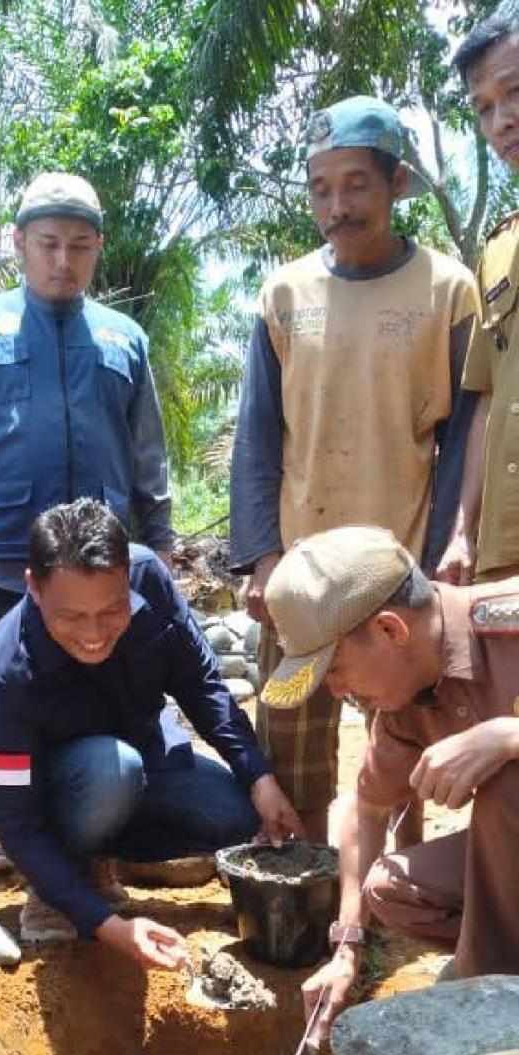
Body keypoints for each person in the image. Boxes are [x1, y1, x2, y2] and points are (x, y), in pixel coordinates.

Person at [230, 95, 479, 845]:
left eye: (355, 185)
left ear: (396, 182)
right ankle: (301, 880)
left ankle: (390, 880)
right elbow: (256, 436)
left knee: (394, 735)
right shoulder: (283, 294)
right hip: (299, 571)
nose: (336, 206)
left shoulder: (446, 290)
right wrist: (262, 558)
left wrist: (439, 558)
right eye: (320, 188)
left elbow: (464, 436)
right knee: (292, 732)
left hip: (390, 573)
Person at [0, 168, 172, 873]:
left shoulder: (122, 337)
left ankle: (85, 829)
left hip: (100, 572)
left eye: (79, 245)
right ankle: (8, 826)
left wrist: (157, 540)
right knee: (5, 704)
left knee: (96, 697)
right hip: (0, 557)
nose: (62, 261)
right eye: (47, 243)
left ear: (98, 246)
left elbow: (146, 448)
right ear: (19, 243)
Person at [0, 498, 304, 961]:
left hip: (144, 758)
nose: (94, 632)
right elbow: (13, 817)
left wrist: (257, 775)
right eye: (72, 617)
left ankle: (99, 852)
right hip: (51, 792)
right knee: (110, 770)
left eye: (111, 610)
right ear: (34, 588)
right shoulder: (2, 676)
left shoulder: (149, 576)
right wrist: (108, 927)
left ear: (128, 575)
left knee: (235, 816)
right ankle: (57, 882)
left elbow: (201, 684)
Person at [257, 525, 519, 1051]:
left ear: (390, 629)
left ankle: (490, 998)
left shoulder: (508, 621)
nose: (335, 690)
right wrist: (347, 946)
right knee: (391, 890)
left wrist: (508, 737)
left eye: (335, 670)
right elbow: (368, 808)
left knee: (508, 785)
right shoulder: (404, 697)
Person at [439, 1, 519, 586]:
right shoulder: (497, 251)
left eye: (514, 93)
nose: (501, 122)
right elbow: (486, 403)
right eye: (483, 108)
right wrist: (464, 531)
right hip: (505, 550)